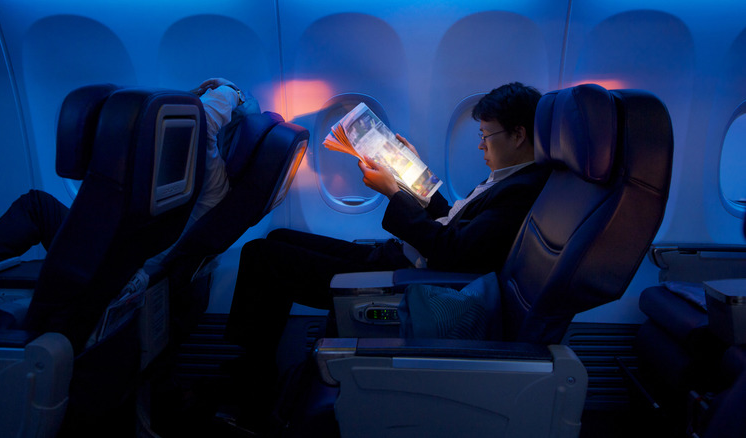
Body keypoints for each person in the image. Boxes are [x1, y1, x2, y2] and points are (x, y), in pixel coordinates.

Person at [221, 82, 551, 432]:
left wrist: (393, 193)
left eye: (487, 134)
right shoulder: (506, 178)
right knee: (278, 237)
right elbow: (452, 225)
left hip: (408, 278)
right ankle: (256, 375)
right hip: (404, 258)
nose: (481, 144)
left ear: (517, 135)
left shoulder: (520, 191)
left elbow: (454, 253)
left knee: (261, 256)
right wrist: (413, 174)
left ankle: (249, 393)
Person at [0, 78, 243, 266]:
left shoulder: (211, 180)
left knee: (37, 206)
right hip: (132, 252)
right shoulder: (208, 177)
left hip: (120, 260)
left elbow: (205, 119)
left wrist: (231, 90)